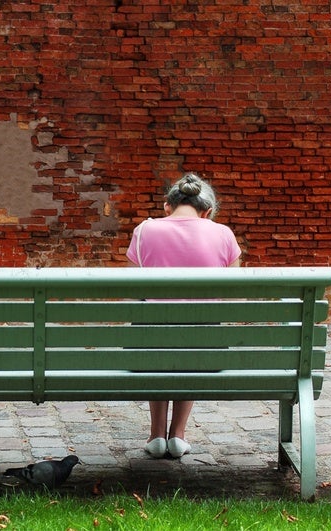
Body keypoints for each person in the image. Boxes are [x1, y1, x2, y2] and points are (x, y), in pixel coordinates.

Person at [126, 173, 241, 458]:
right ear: (208, 212)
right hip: (204, 352)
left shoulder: (143, 231)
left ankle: (155, 436)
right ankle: (177, 435)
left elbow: (132, 288)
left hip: (148, 351)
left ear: (167, 206)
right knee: (197, 331)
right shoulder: (223, 233)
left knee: (154, 329)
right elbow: (233, 292)